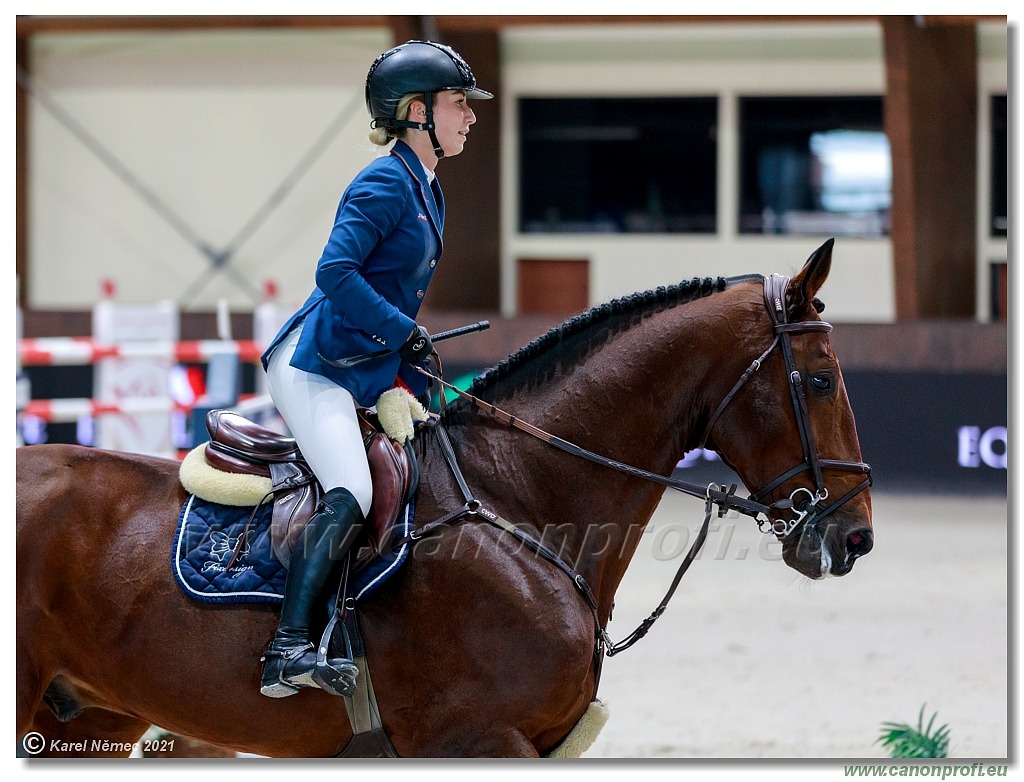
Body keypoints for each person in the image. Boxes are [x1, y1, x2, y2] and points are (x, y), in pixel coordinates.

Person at [258, 40, 492, 699]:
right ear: (416, 112)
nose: (470, 117)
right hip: (315, 365)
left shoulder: (428, 189)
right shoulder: (386, 181)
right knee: (352, 491)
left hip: (360, 365)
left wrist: (412, 383)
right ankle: (287, 649)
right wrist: (403, 333)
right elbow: (334, 272)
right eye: (458, 105)